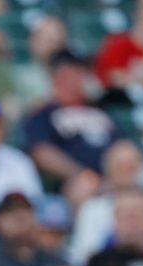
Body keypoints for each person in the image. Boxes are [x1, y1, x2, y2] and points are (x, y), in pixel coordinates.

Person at [23, 49, 120, 182]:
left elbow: (121, 143)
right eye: (75, 71)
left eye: (81, 72)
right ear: (57, 77)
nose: (81, 77)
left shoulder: (99, 109)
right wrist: (82, 175)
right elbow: (42, 152)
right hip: (76, 181)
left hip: (116, 177)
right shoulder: (43, 113)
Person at [68, 140, 143, 266]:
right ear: (109, 170)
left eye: (131, 167)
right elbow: (84, 256)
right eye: (120, 166)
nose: (126, 172)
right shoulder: (93, 209)